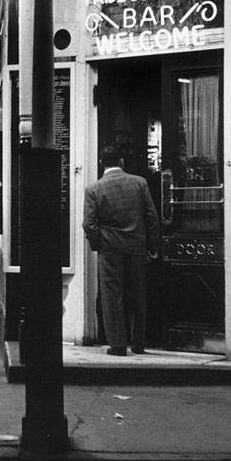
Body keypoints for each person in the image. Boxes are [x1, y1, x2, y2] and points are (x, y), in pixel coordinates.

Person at [83, 145, 160, 356]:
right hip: (136, 246)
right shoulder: (139, 183)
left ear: (101, 163)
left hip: (109, 249)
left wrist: (99, 244)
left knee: (111, 296)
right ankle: (139, 343)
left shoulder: (93, 189)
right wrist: (153, 247)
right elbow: (152, 217)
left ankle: (117, 344)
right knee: (138, 294)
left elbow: (88, 224)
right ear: (122, 162)